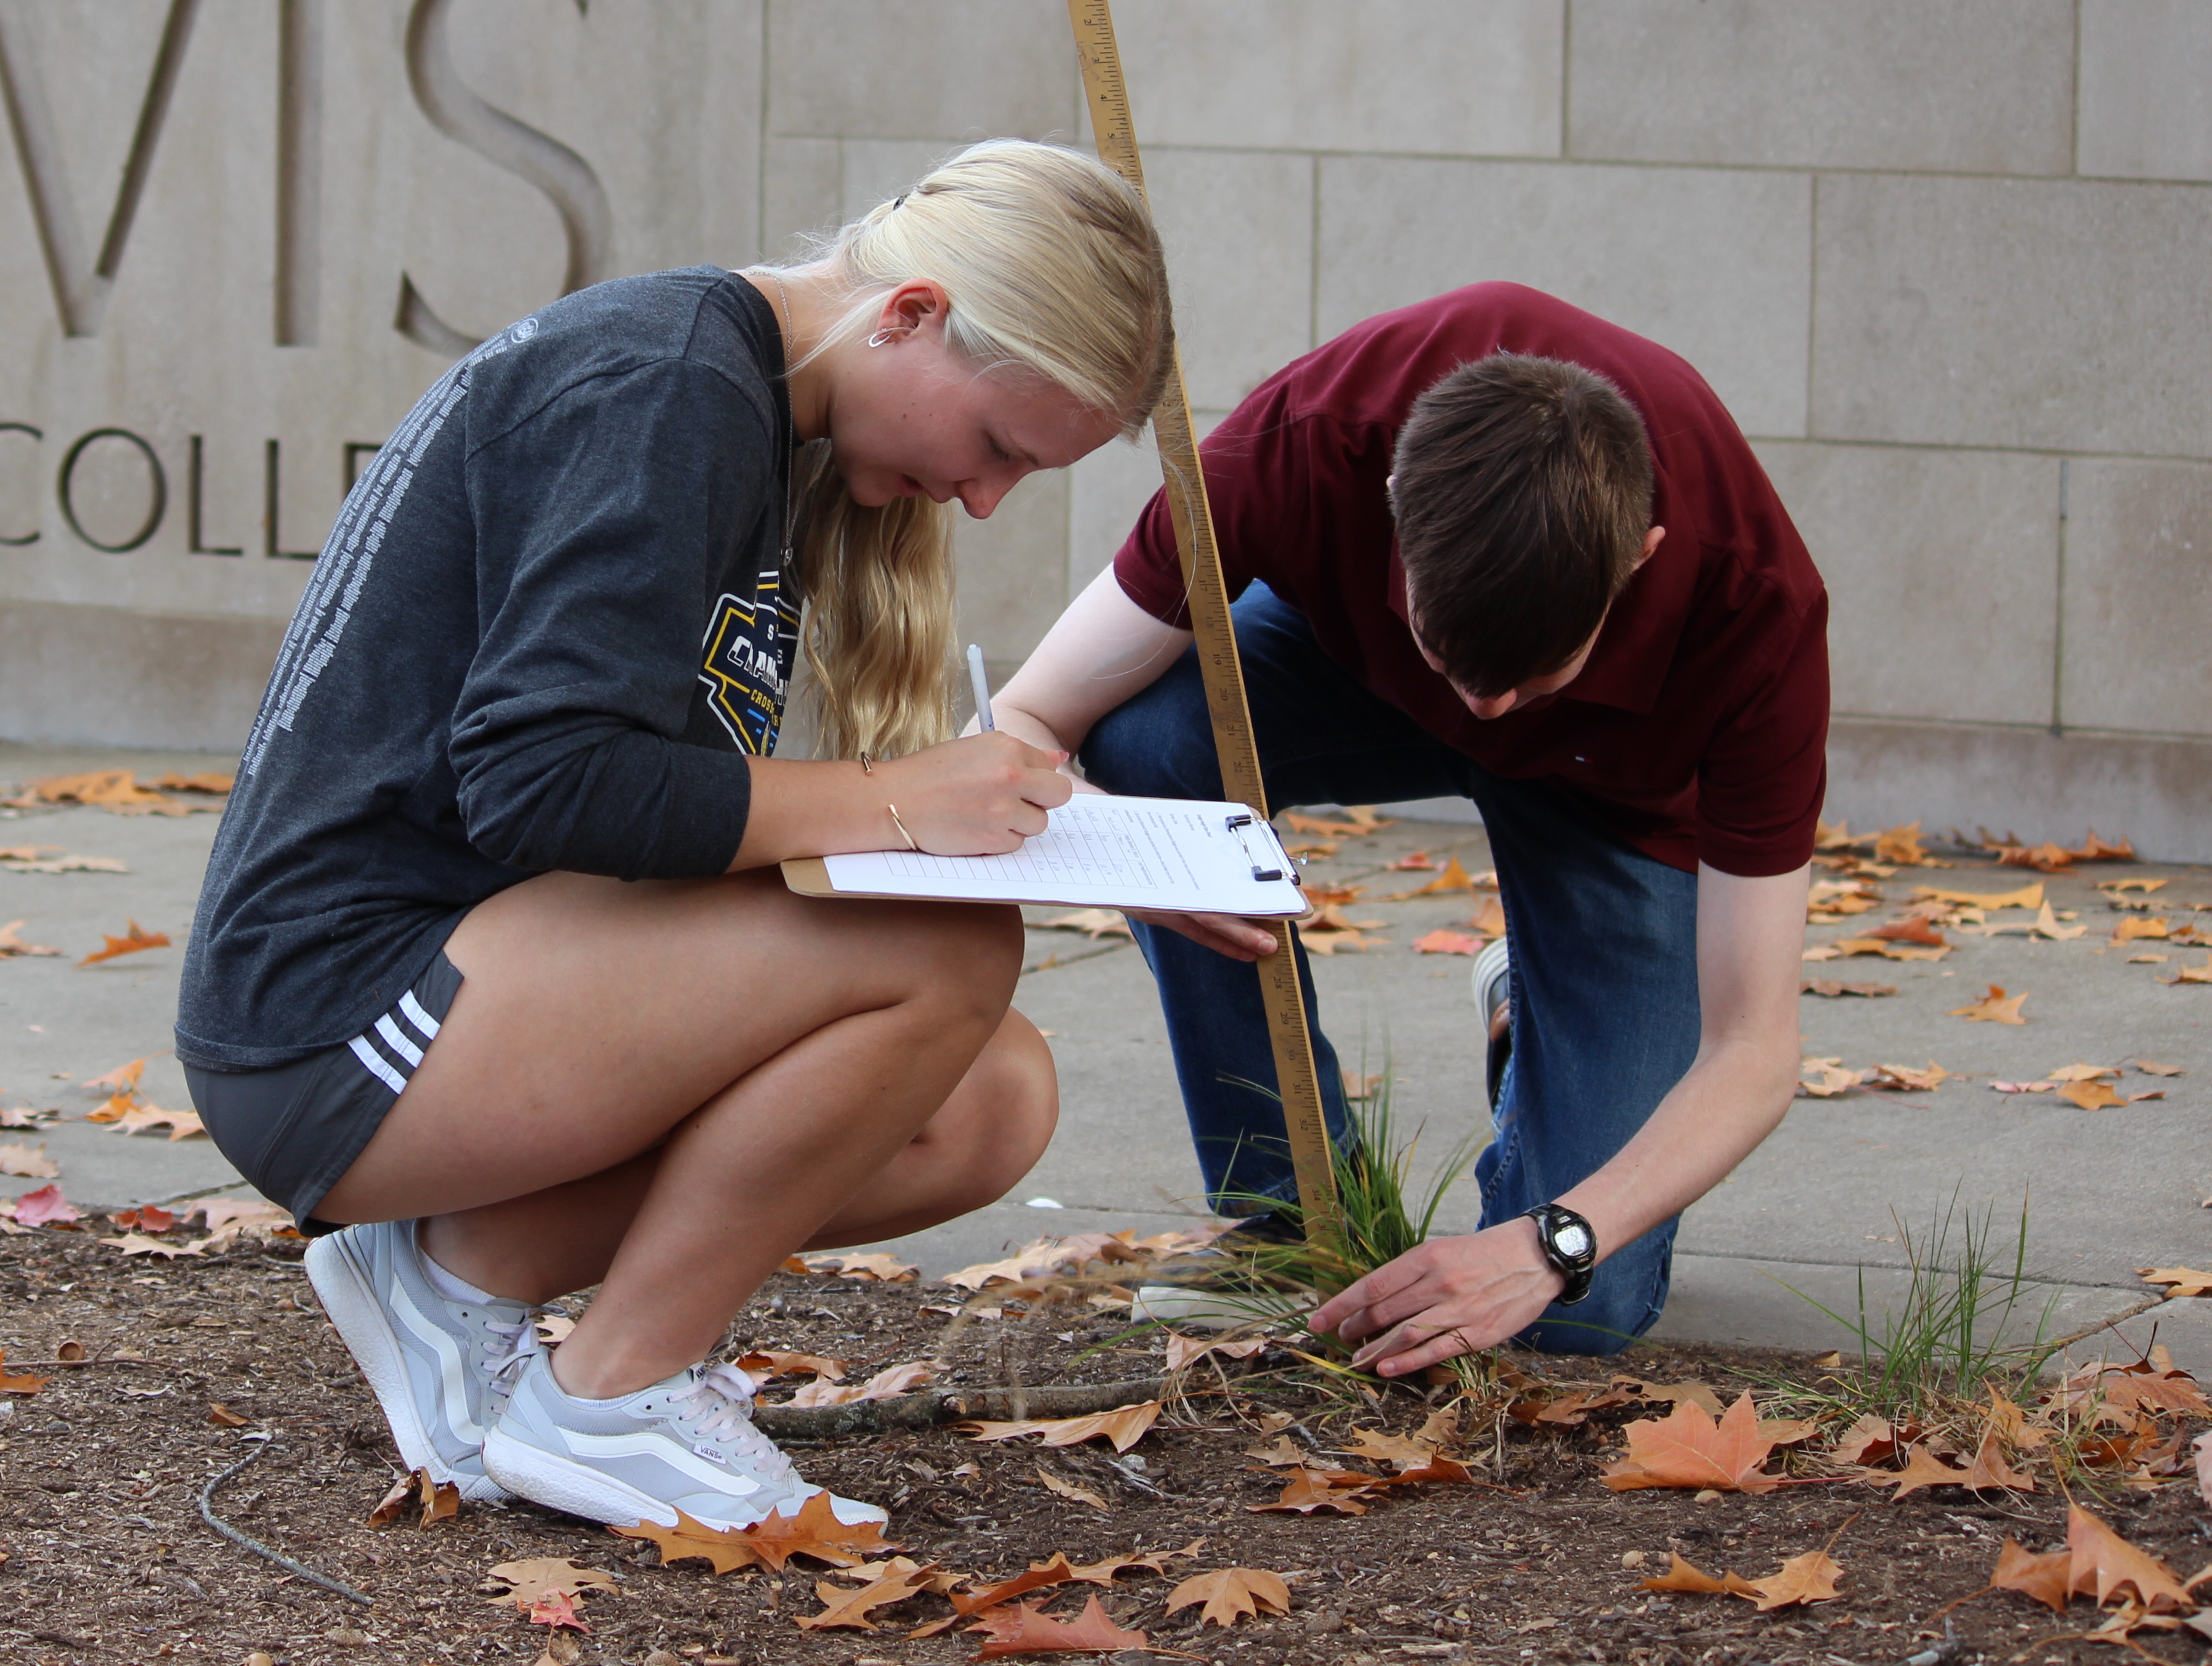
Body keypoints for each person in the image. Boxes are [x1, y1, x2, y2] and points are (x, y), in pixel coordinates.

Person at [176, 141, 1174, 1530]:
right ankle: (608, 1403)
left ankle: (456, 1283)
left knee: (980, 1100)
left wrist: (968, 809)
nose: (988, 496)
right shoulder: (671, 389)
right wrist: (899, 798)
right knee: (945, 956)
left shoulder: (737, 400)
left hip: (467, 973)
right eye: (999, 446)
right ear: (911, 314)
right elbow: (543, 780)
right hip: (335, 1017)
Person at [991, 282, 1826, 1380]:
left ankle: (1532, 1010)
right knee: (1151, 737)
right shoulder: (1300, 442)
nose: (1483, 711)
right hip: (1344, 680)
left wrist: (1549, 1243)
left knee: (1576, 1310)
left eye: (1536, 678)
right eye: (1447, 656)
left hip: (1612, 795)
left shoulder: (1754, 605)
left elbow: (1755, 1051)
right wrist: (1141, 854)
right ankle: (1292, 1214)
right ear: (1390, 503)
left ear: (1641, 556)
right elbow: (1024, 719)